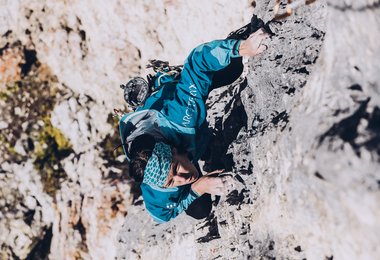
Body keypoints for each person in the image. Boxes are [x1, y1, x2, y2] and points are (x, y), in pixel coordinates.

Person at [119, 15, 270, 223]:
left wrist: (242, 48)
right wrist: (199, 187)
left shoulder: (180, 117)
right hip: (174, 142)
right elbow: (163, 214)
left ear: (172, 150)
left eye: (175, 169)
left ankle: (171, 79)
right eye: (171, 183)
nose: (182, 179)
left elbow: (197, 63)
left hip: (166, 103)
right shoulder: (155, 186)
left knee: (233, 68)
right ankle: (201, 145)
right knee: (200, 209)